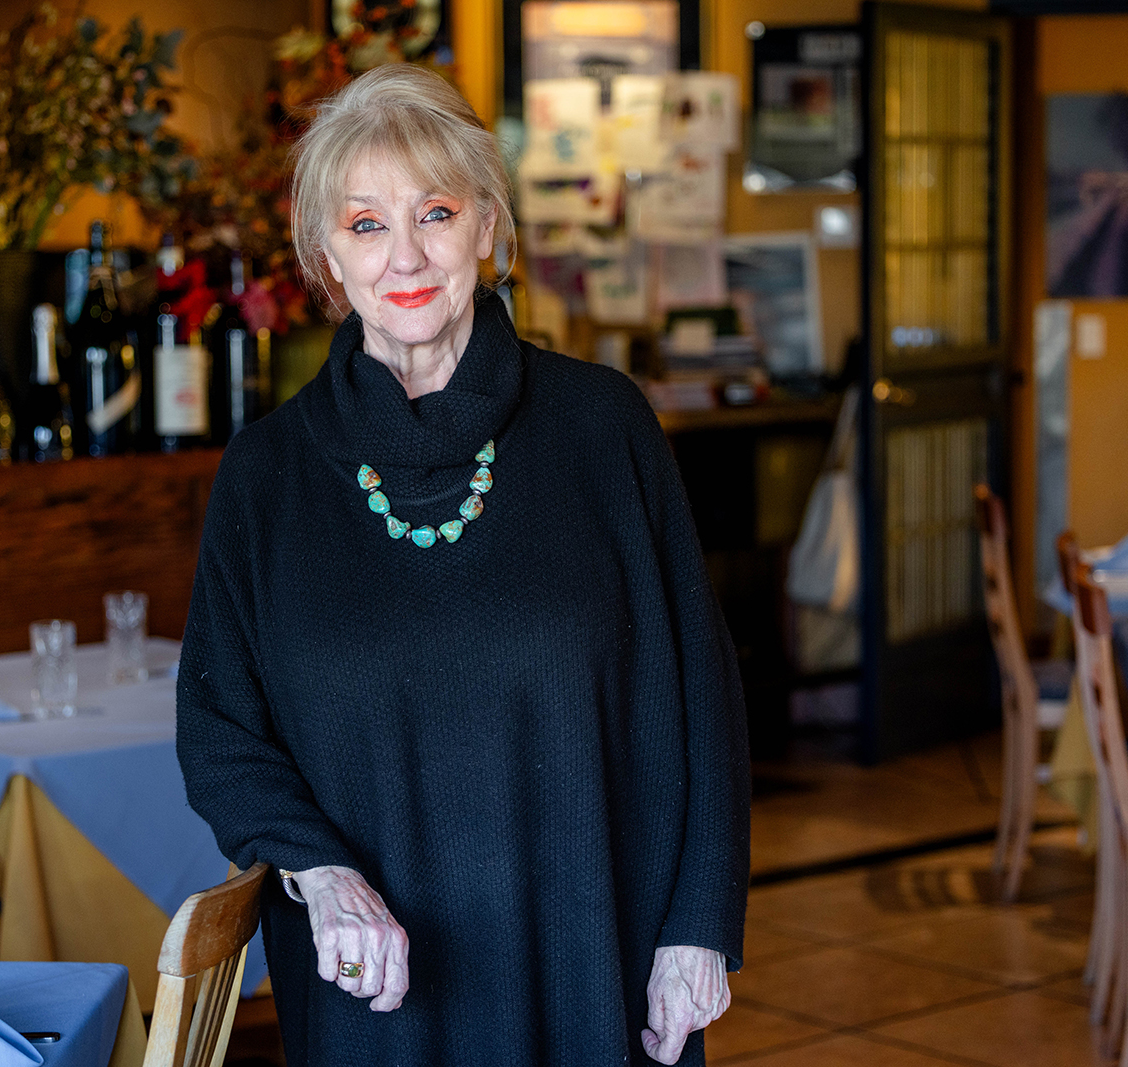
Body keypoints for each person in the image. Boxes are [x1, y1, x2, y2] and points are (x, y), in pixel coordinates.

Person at [176, 63, 749, 1066]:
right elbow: (218, 727)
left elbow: (704, 688)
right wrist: (319, 874)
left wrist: (697, 921)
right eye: (365, 225)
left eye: (433, 213)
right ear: (326, 258)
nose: (404, 254)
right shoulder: (268, 472)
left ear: (485, 225)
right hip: (376, 998)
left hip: (594, 964)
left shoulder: (601, 424)